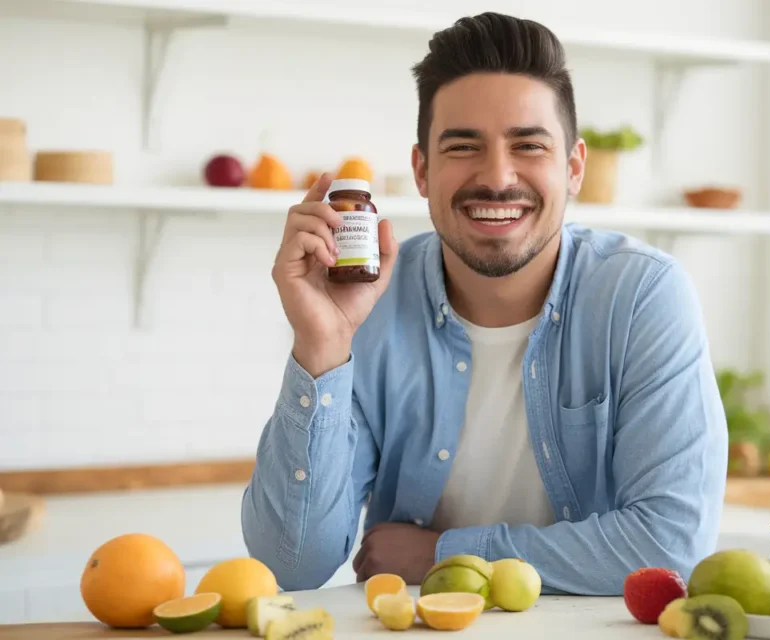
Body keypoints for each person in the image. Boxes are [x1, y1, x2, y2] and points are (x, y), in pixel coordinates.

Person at [241, 11, 728, 596]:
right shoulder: (369, 305)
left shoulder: (642, 297)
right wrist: (322, 345)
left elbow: (669, 545)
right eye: (464, 146)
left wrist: (446, 555)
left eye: (528, 145)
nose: (497, 177)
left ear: (573, 167)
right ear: (422, 171)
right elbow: (290, 567)